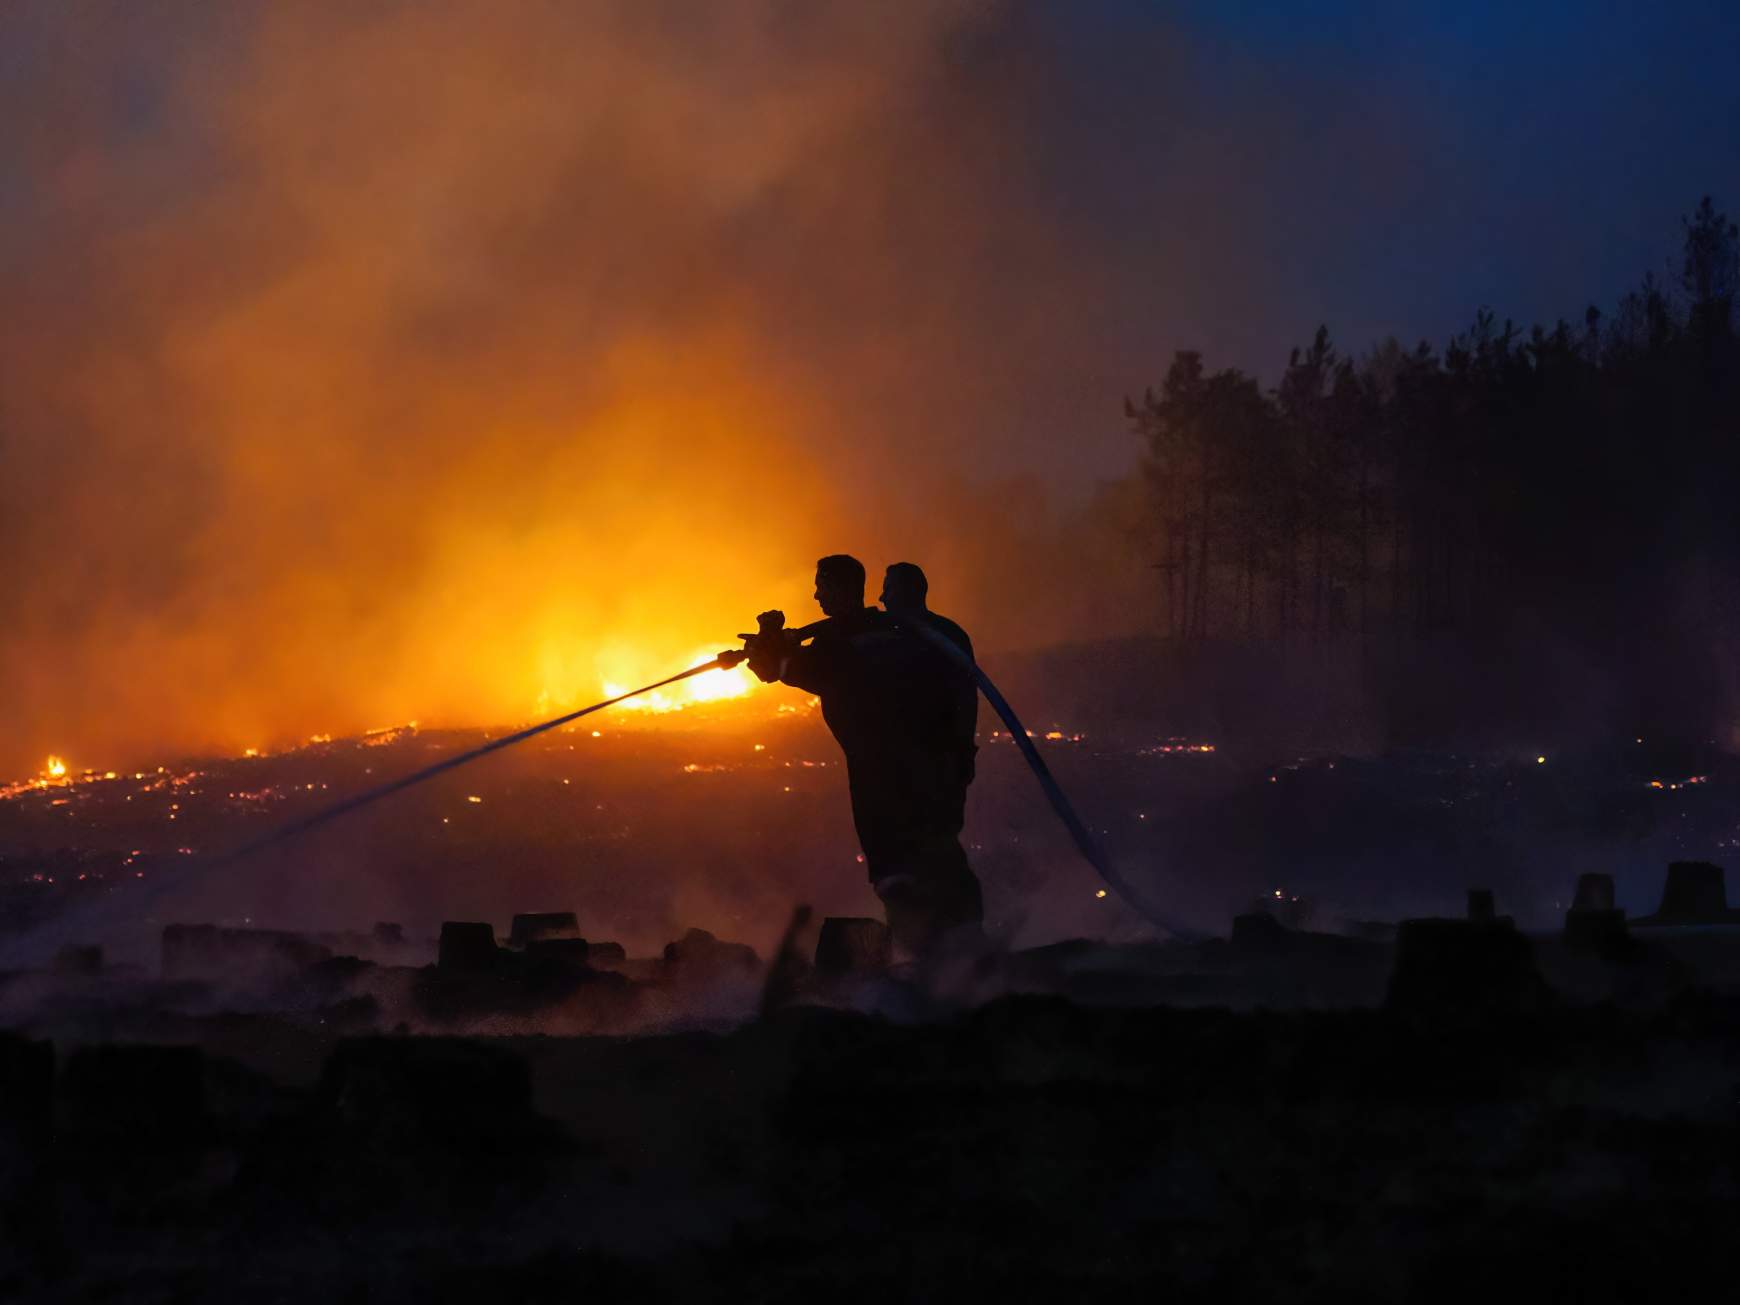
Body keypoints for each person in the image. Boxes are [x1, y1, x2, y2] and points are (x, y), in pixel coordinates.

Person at [746, 555, 982, 959]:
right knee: (939, 850)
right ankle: (961, 946)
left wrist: (768, 641)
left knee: (893, 862)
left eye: (822, 586)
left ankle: (928, 957)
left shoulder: (851, 643)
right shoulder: (913, 635)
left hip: (883, 772)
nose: (817, 594)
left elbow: (789, 669)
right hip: (942, 767)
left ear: (840, 589)